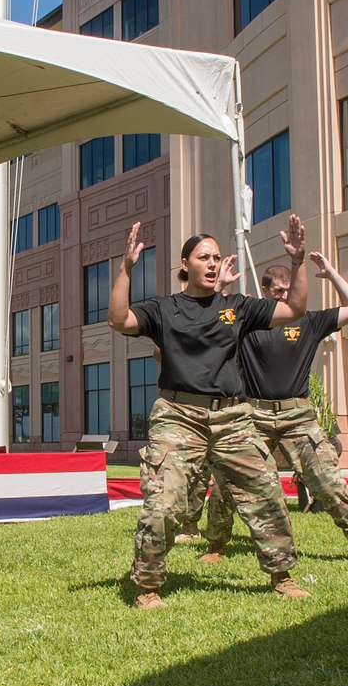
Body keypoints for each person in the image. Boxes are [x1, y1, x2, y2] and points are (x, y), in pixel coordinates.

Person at [111, 215, 314, 608]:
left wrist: (298, 262)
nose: (212, 264)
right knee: (164, 501)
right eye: (204, 257)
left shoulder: (236, 307)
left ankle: (281, 575)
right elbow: (119, 319)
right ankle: (148, 585)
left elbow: (295, 311)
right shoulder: (163, 309)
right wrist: (126, 268)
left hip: (232, 417)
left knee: (265, 493)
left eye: (217, 258)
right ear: (185, 265)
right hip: (178, 415)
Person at [201, 254, 348, 567]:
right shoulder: (247, 322)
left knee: (326, 480)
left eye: (288, 290)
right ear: (266, 292)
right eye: (278, 291)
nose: (284, 295)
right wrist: (221, 286)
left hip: (298, 417)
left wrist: (331, 273)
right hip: (252, 415)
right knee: (226, 480)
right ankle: (216, 543)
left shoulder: (310, 321)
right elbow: (208, 319)